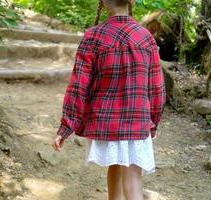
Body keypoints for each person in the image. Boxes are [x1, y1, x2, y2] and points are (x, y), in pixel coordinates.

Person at [52, 0, 166, 199]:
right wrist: (153, 122)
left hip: (107, 123)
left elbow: (78, 86)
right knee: (132, 180)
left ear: (103, 2)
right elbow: (156, 87)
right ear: (130, 1)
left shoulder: (93, 36)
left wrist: (66, 126)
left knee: (114, 169)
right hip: (137, 122)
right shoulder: (145, 37)